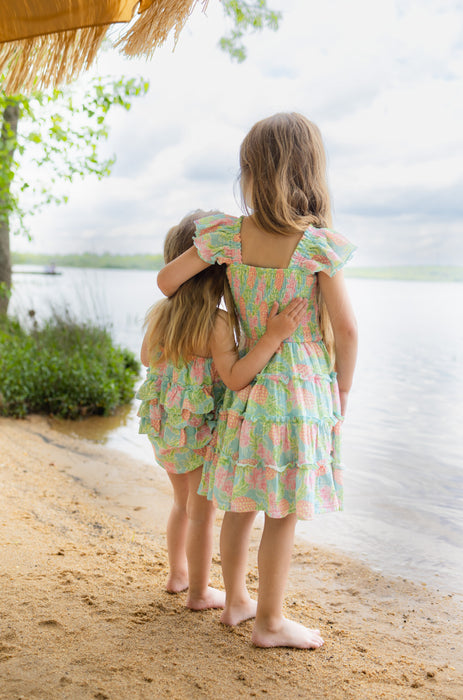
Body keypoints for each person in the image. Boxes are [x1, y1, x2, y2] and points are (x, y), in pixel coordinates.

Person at [156, 113, 358, 649]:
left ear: (252, 170)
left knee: (242, 503)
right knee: (283, 512)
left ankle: (236, 602)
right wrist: (341, 392)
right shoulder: (317, 245)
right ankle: (269, 621)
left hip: (247, 391)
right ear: (309, 170)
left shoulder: (228, 235)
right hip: (298, 390)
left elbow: (168, 280)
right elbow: (348, 329)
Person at [138, 209, 308, 612]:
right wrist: (272, 337)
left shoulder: (160, 315)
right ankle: (198, 592)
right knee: (202, 511)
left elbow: (147, 358)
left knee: (181, 503)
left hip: (165, 426)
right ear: (219, 272)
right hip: (197, 430)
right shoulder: (216, 323)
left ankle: (178, 573)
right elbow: (235, 377)